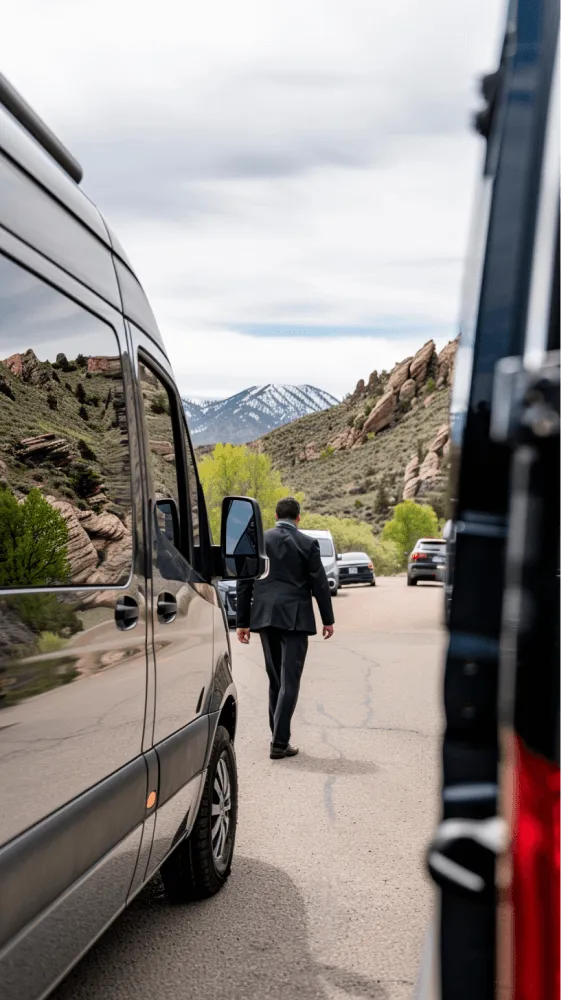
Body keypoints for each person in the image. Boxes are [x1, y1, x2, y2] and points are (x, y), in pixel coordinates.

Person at [236, 496, 335, 759]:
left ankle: (278, 737)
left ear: (276, 516)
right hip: (295, 619)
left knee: (275, 681)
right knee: (289, 682)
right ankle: (279, 743)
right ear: (298, 518)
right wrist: (328, 619)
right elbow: (320, 585)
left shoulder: (260, 541)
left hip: (265, 618)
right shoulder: (307, 543)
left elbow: (245, 581)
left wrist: (242, 622)